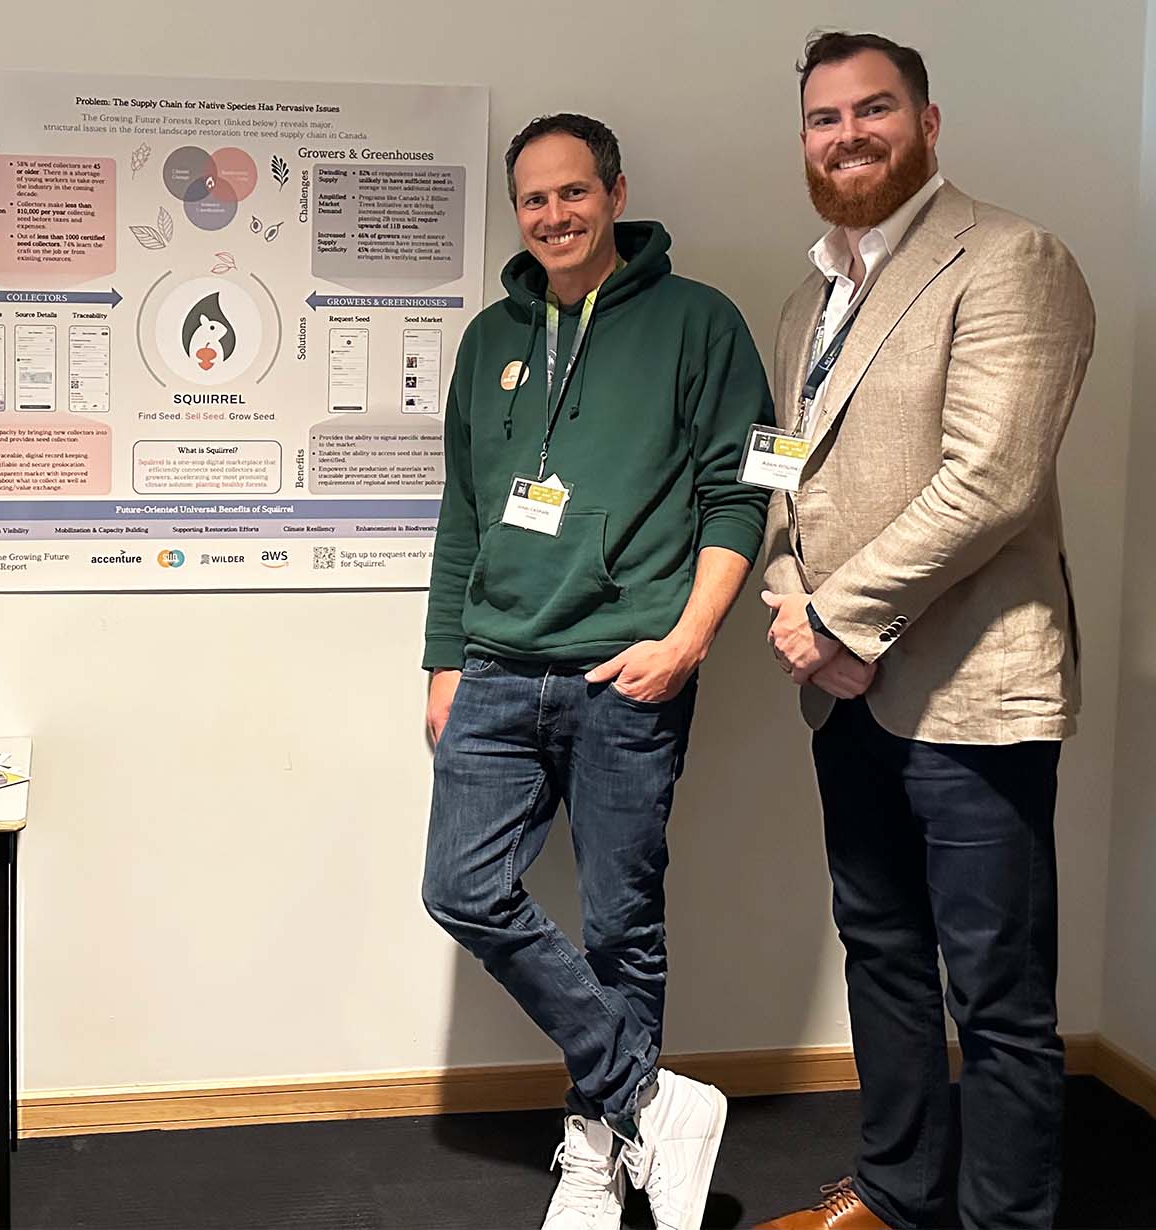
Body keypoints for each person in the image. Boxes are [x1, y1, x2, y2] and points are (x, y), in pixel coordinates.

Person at [755, 32, 1093, 1230]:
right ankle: (896, 1197)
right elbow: (784, 479)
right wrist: (790, 602)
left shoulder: (1009, 260)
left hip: (970, 692)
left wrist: (842, 619)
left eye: (871, 110)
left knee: (996, 996)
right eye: (821, 118)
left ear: (927, 123)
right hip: (841, 692)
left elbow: (989, 479)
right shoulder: (809, 297)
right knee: (880, 953)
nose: (845, 135)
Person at [419, 113, 772, 1230]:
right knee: (461, 889)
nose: (553, 215)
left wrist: (685, 640)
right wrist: (441, 661)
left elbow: (739, 491)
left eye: (573, 193)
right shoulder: (490, 340)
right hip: (495, 666)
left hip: (626, 676)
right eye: (533, 199)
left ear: (614, 193)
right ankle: (651, 1100)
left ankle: (596, 1148)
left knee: (622, 922)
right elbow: (463, 512)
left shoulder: (696, 323)